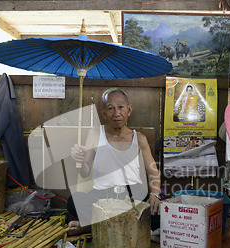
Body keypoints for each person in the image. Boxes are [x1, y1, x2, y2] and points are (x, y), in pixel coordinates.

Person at [68, 88, 161, 235]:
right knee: (75, 201)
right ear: (103, 113)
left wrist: (155, 194)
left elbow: (153, 172)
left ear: (129, 110)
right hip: (102, 196)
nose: (116, 113)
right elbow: (85, 172)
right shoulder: (95, 134)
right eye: (110, 108)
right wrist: (79, 160)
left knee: (158, 214)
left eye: (121, 107)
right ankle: (121, 224)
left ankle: (92, 226)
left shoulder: (139, 139)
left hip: (131, 194)